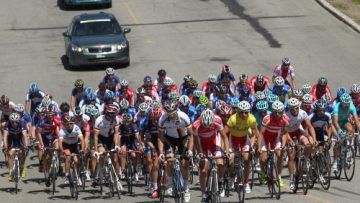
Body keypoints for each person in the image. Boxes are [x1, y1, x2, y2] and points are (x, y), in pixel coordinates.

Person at [158, 100, 194, 203]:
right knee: (169, 160)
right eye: (169, 113)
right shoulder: (162, 119)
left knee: (185, 164)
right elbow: (160, 137)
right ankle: (169, 184)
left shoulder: (184, 117)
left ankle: (186, 189)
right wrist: (161, 152)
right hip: (169, 139)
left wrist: (190, 150)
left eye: (173, 113)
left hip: (183, 139)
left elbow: (191, 135)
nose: (171, 115)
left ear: (176, 110)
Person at [193, 109, 229, 201]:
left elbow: (224, 136)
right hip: (202, 145)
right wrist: (199, 153)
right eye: (205, 126)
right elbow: (195, 141)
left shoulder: (217, 120)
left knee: (220, 163)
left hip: (214, 143)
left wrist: (227, 151)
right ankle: (204, 193)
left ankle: (220, 180)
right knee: (204, 170)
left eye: (209, 126)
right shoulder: (196, 125)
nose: (207, 127)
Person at [223, 101, 259, 194]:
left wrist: (251, 147)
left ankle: (246, 182)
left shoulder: (251, 118)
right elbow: (223, 133)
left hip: (244, 139)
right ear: (238, 112)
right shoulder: (233, 119)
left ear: (249, 112)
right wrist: (226, 147)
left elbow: (255, 134)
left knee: (247, 159)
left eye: (246, 112)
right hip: (233, 140)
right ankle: (231, 175)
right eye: (241, 112)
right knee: (231, 160)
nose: (244, 114)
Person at [285, 98, 316, 190]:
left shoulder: (302, 113)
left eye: (297, 108)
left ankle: (305, 160)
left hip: (298, 131)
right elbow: (285, 133)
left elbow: (310, 126)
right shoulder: (286, 116)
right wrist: (290, 141)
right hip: (288, 134)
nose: (296, 110)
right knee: (291, 155)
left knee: (308, 144)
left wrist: (314, 139)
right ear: (290, 109)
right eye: (294, 108)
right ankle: (291, 179)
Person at [258, 101, 290, 187]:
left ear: (282, 111)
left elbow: (285, 133)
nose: (277, 114)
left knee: (280, 155)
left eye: (279, 112)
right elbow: (261, 133)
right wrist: (259, 147)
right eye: (275, 112)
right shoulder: (267, 118)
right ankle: (262, 172)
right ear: (272, 111)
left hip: (275, 138)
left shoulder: (286, 119)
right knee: (264, 158)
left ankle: (279, 176)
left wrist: (283, 144)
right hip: (265, 138)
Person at [331, 93, 360, 172]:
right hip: (335, 124)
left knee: (351, 130)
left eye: (347, 104)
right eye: (345, 104)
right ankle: (335, 161)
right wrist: (339, 131)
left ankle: (350, 146)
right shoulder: (337, 107)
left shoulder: (351, 106)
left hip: (344, 121)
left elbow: (356, 120)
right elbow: (335, 122)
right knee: (337, 141)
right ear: (341, 102)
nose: (346, 106)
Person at [93, 104, 121, 184]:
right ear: (107, 113)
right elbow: (95, 136)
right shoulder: (99, 120)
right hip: (101, 138)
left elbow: (116, 133)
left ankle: (116, 178)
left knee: (115, 159)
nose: (113, 116)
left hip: (110, 137)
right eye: (111, 114)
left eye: (114, 114)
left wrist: (116, 145)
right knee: (101, 154)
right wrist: (95, 150)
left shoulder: (116, 119)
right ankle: (98, 174)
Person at [59, 116, 85, 184]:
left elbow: (82, 140)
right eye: (67, 124)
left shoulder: (76, 128)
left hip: (74, 145)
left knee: (76, 161)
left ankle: (75, 174)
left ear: (73, 123)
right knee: (68, 157)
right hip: (66, 145)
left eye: (71, 123)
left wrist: (82, 149)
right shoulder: (62, 130)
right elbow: (60, 142)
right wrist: (62, 151)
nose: (69, 125)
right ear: (64, 125)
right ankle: (67, 175)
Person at [143, 107, 163, 198]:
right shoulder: (148, 124)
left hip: (164, 143)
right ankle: (154, 186)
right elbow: (148, 140)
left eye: (157, 118)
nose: (155, 120)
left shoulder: (164, 121)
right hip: (153, 144)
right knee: (154, 163)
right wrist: (153, 148)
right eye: (153, 119)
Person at [3, 113, 29, 181]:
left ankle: (22, 168)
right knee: (10, 154)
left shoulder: (22, 123)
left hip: (20, 138)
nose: (14, 123)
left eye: (16, 122)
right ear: (10, 121)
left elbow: (25, 135)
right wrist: (5, 146)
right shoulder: (7, 124)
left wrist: (26, 146)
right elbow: (5, 136)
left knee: (23, 152)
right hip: (11, 138)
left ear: (18, 121)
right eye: (12, 122)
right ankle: (11, 172)